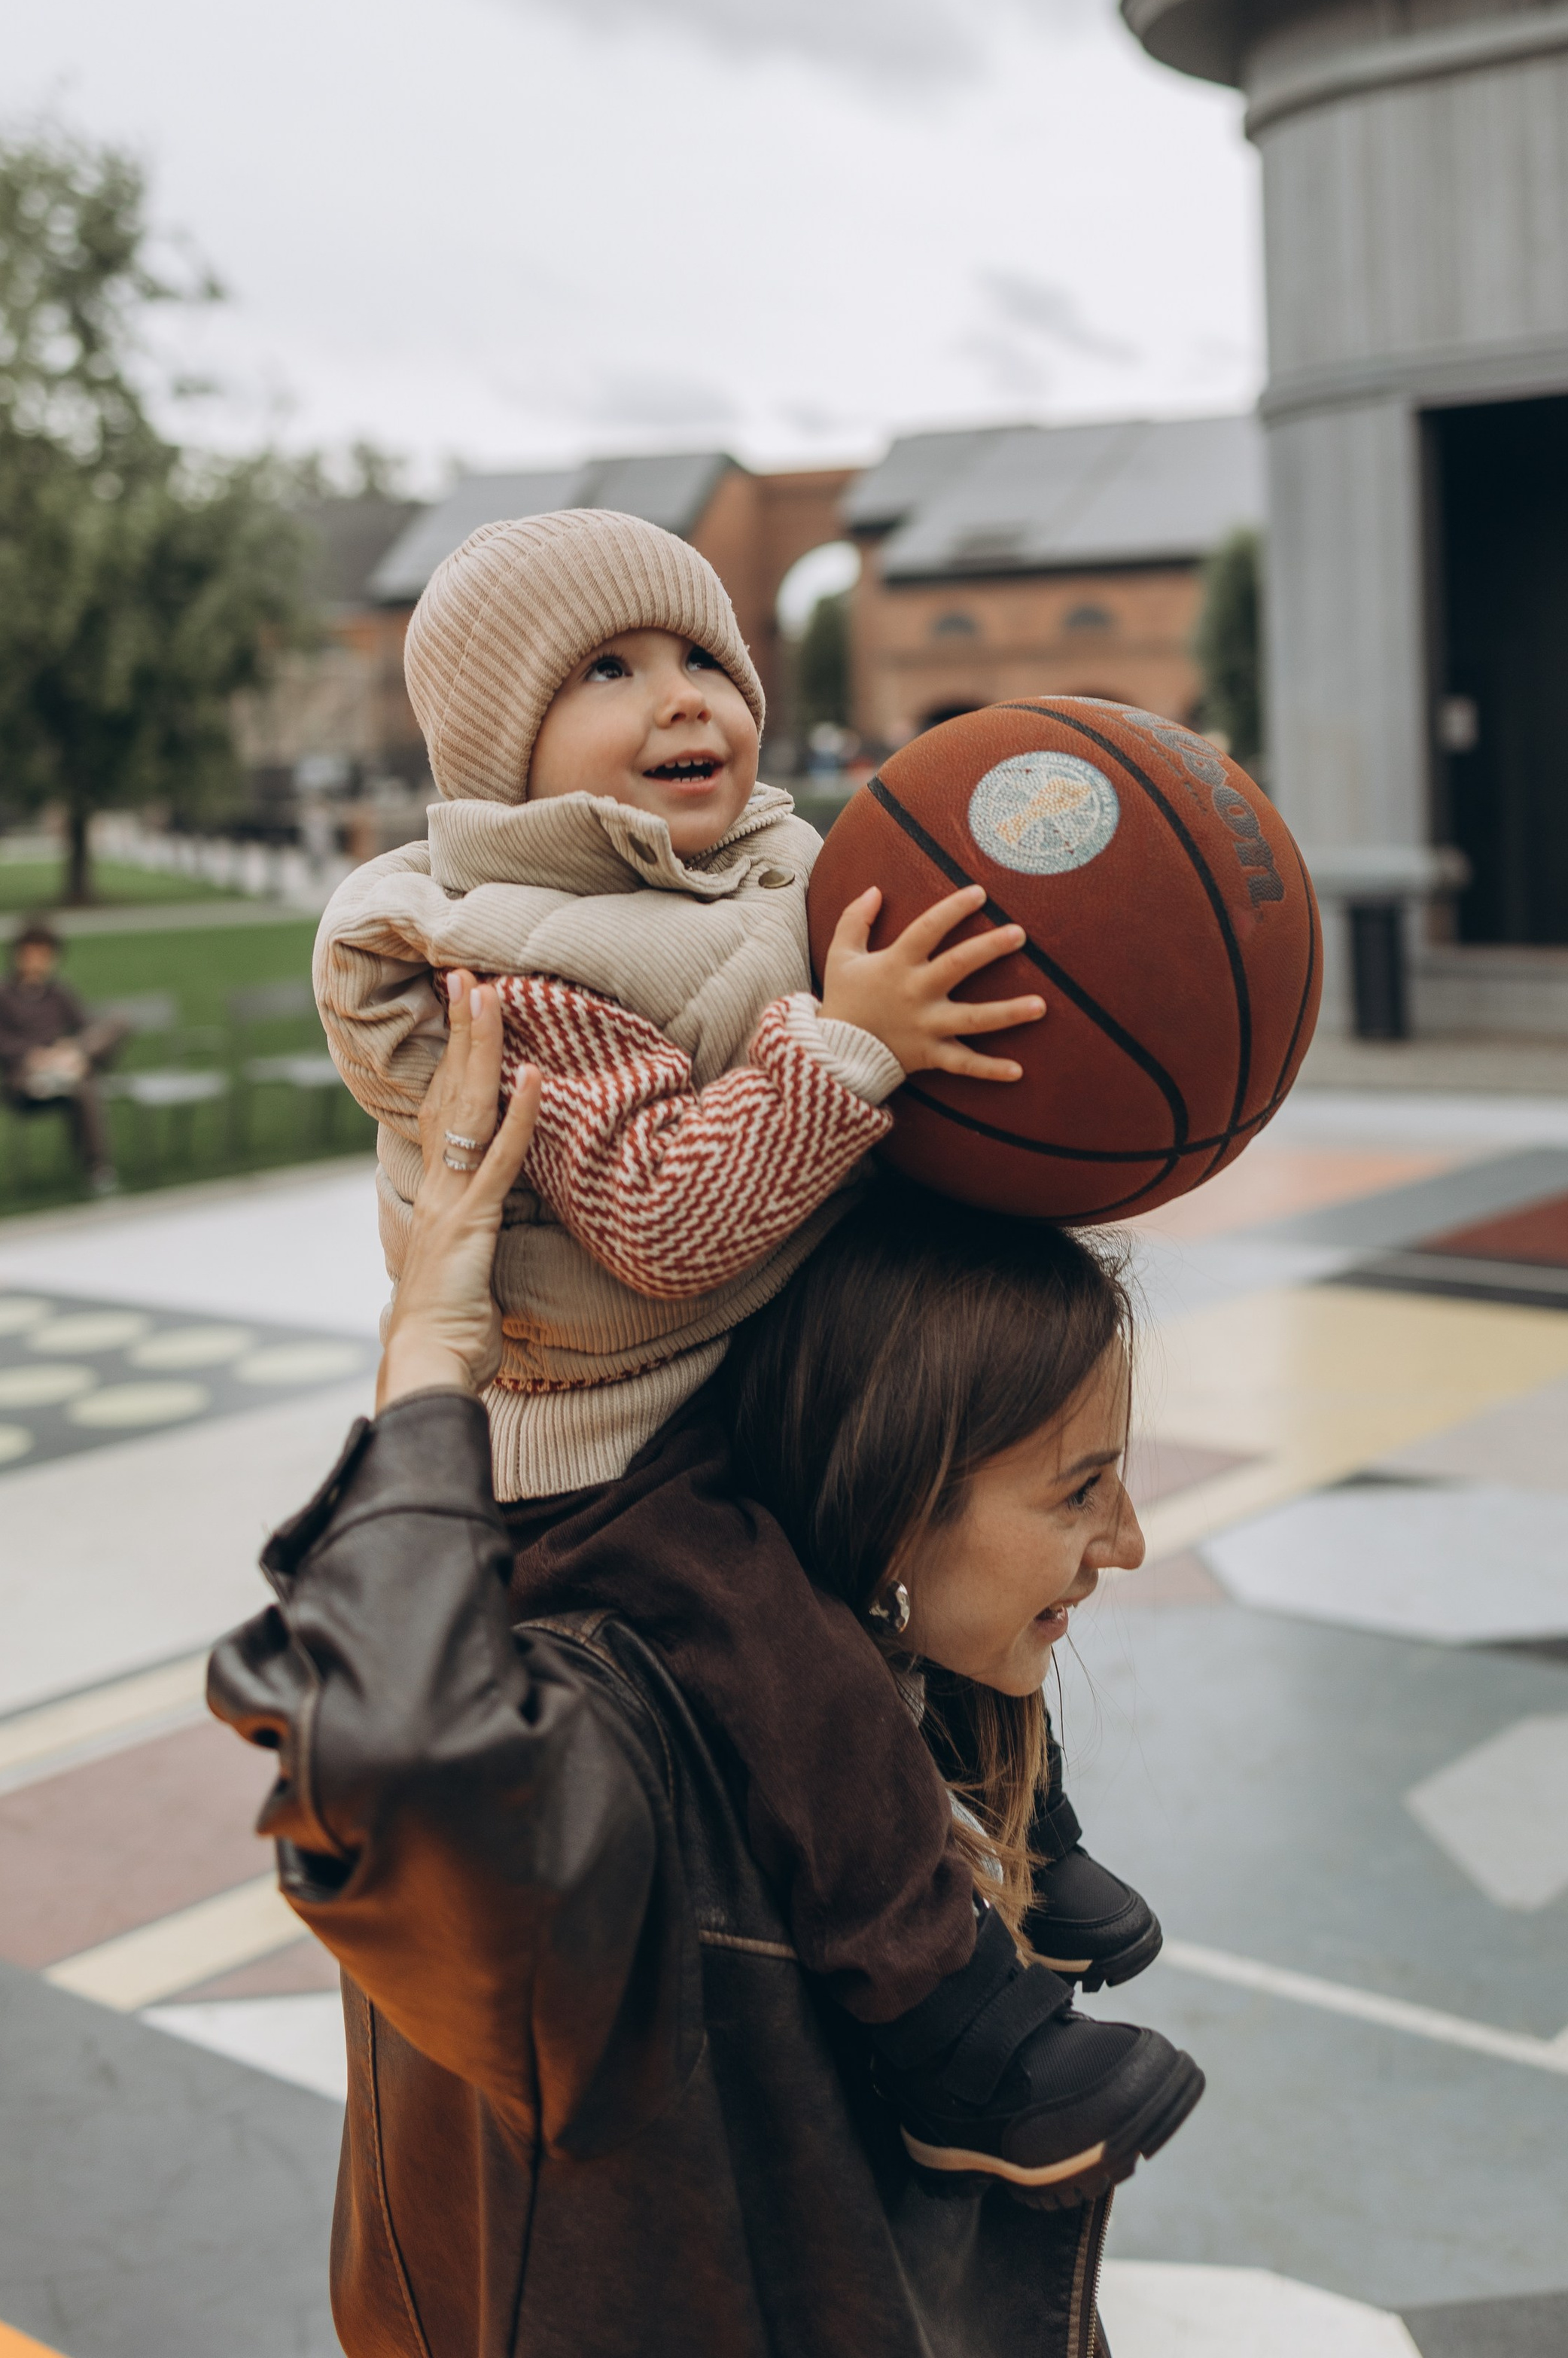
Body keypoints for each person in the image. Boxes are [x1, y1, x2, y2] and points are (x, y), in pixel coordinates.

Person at [310, 509, 1166, 2178]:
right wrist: (845, 1047)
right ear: (507, 747)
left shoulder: (767, 865)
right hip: (591, 1446)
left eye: (705, 655)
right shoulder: (517, 962)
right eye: (611, 672)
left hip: (740, 1352)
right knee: (782, 1644)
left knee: (948, 1483)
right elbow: (657, 1220)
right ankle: (946, 2033)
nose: (683, 697)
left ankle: (1016, 1816)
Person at [208, 983, 1201, 2357]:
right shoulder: (621, 1756)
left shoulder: (885, 1697)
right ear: (897, 1487)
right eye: (1081, 1488)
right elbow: (390, 1764)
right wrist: (431, 1366)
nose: (1132, 1543)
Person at [0, 918, 123, 1195]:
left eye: (45, 955)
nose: (37, 962)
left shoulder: (59, 993)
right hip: (23, 1079)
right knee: (82, 1083)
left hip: (66, 1067)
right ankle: (98, 1168)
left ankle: (97, 1170)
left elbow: (87, 1024)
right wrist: (32, 1055)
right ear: (17, 954)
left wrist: (72, 1049)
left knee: (117, 1025)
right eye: (31, 954)